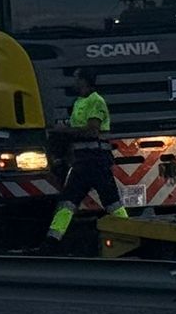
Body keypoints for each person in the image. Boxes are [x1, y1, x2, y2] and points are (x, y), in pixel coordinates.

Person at [43, 68, 127, 250]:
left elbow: (92, 129)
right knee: (69, 200)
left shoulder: (96, 101)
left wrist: (63, 131)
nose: (73, 82)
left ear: (83, 81)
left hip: (96, 161)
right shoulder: (80, 102)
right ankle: (52, 240)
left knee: (110, 201)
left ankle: (130, 234)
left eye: (76, 79)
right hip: (83, 162)